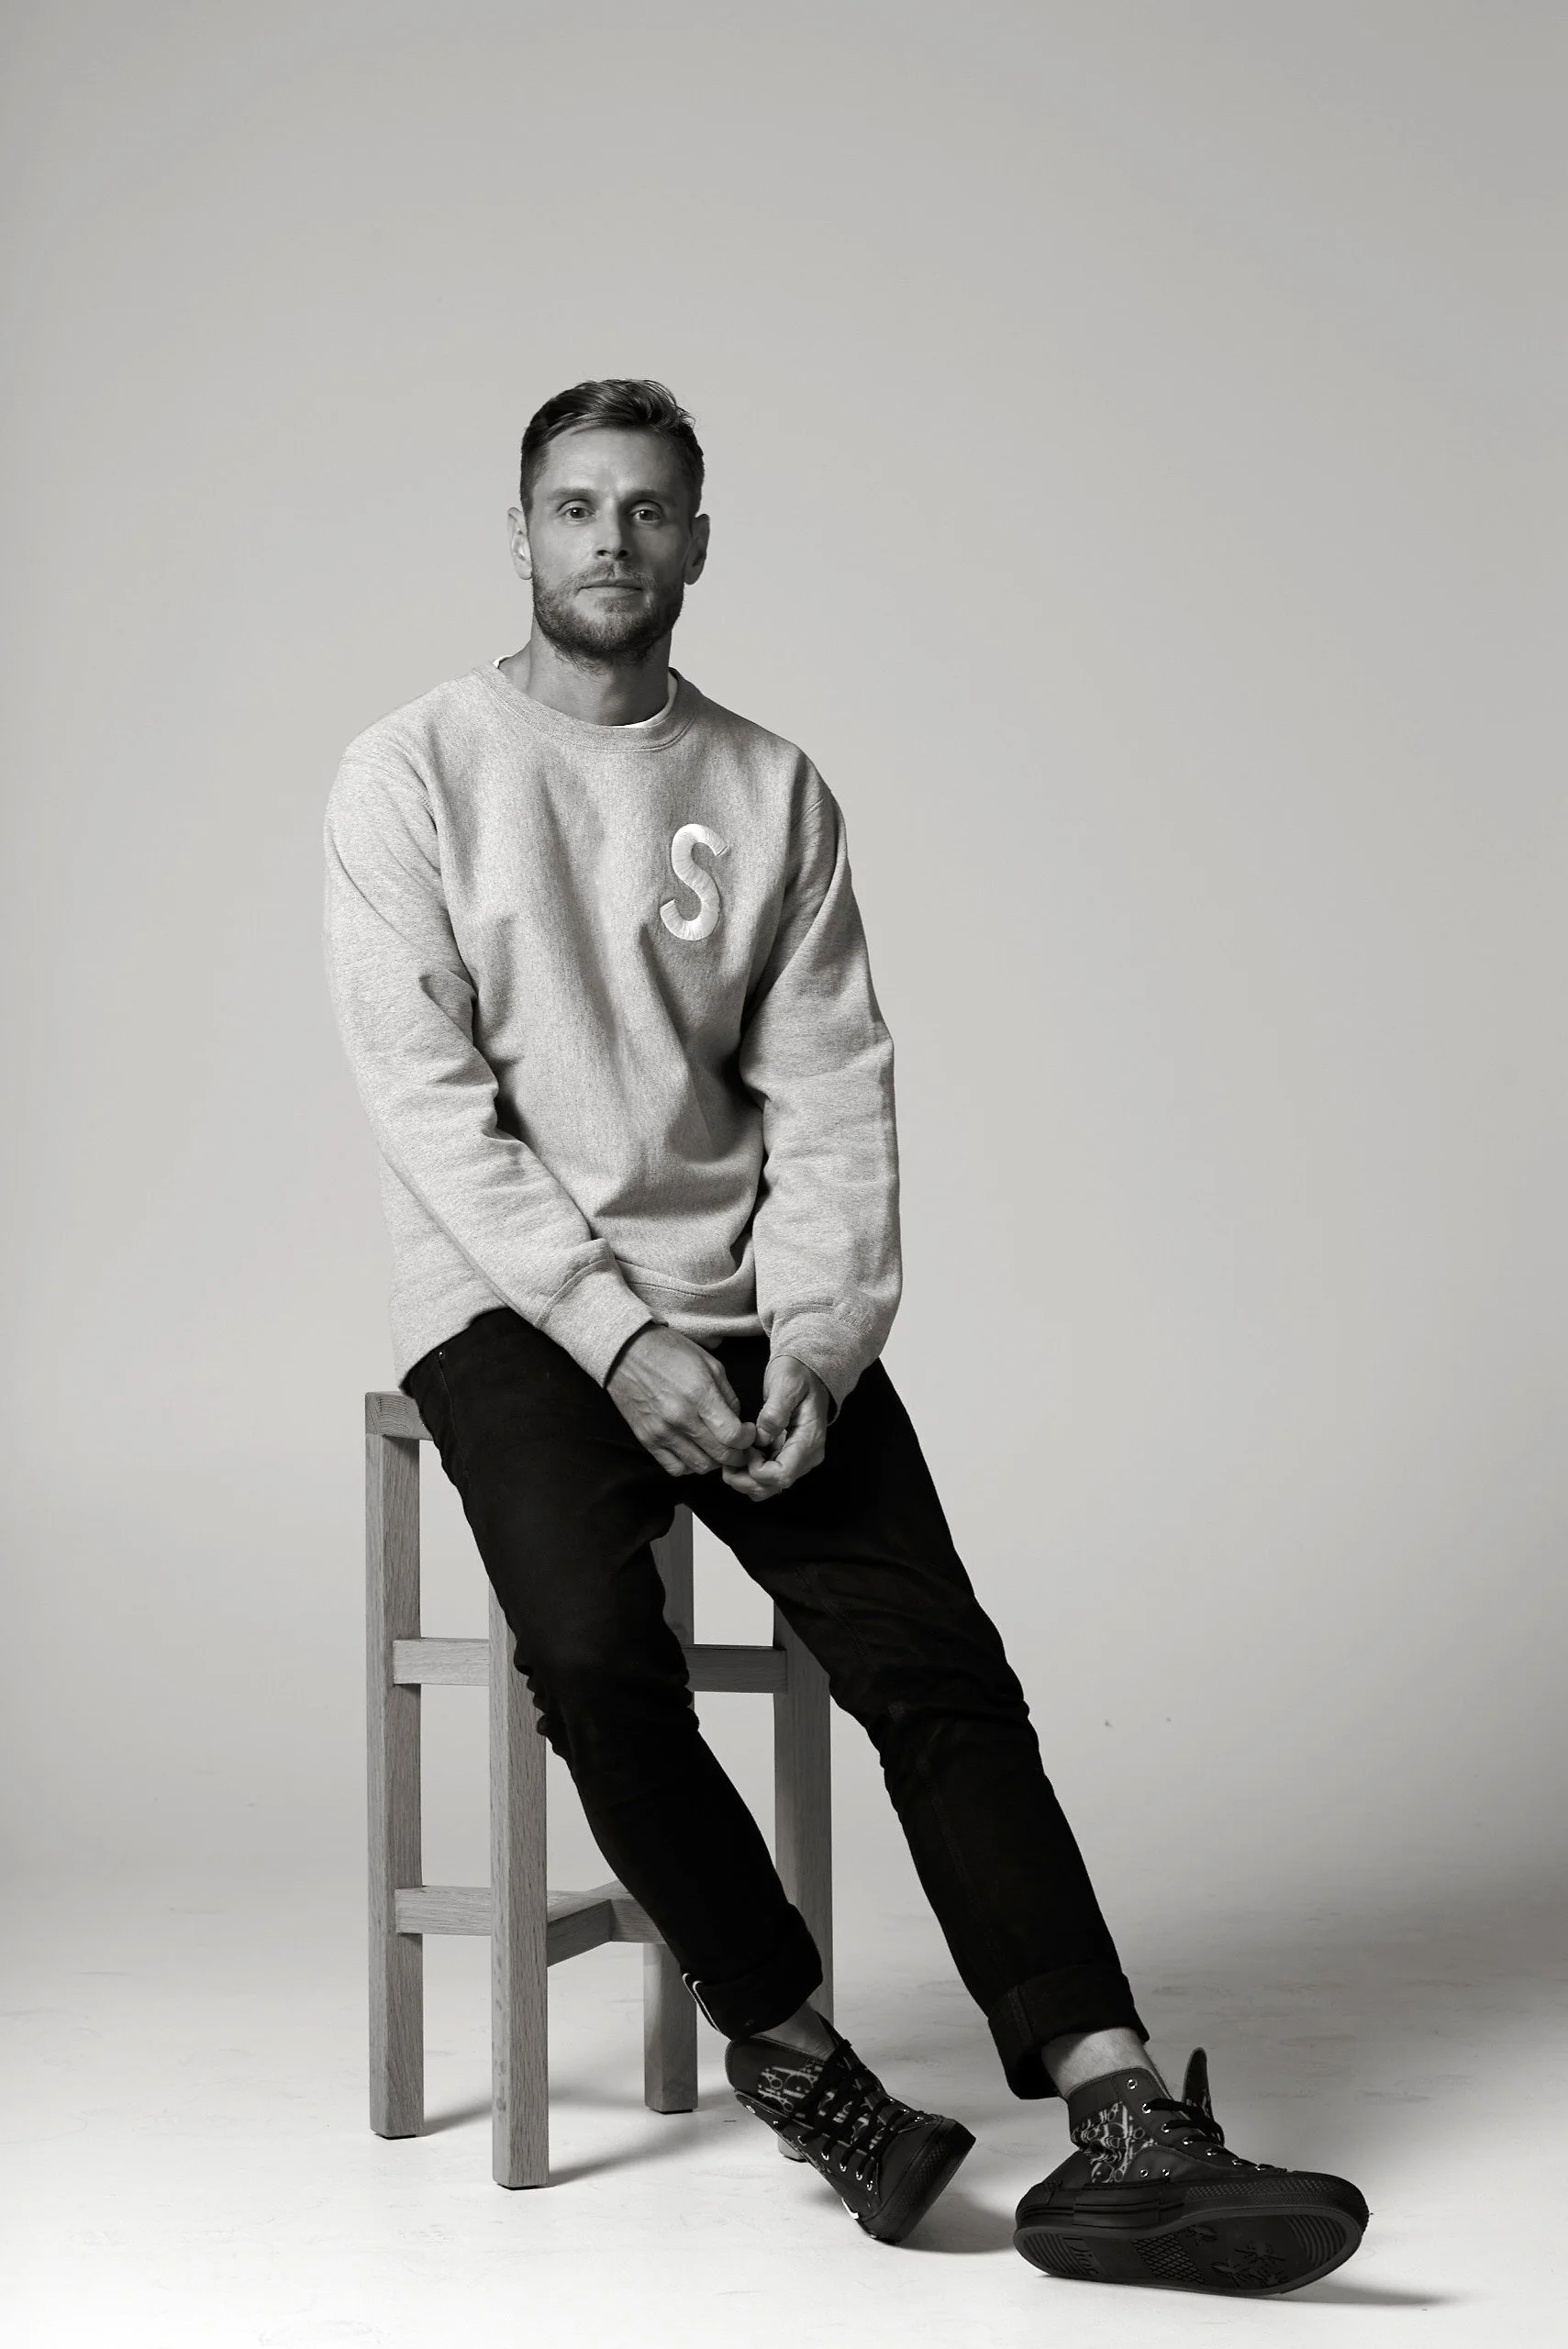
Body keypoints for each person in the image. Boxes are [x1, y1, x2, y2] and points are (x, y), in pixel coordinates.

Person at [323, 378, 1368, 2293]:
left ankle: (1120, 2100)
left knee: (936, 1663)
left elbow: (831, 1093)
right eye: (573, 509)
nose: (610, 545)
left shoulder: (769, 787)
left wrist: (813, 1334)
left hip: (743, 1298)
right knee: (589, 1650)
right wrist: (610, 1335)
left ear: (698, 541)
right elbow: (430, 1107)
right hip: (515, 1307)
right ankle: (800, 2059)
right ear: (520, 533)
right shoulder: (408, 772)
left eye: (648, 513)